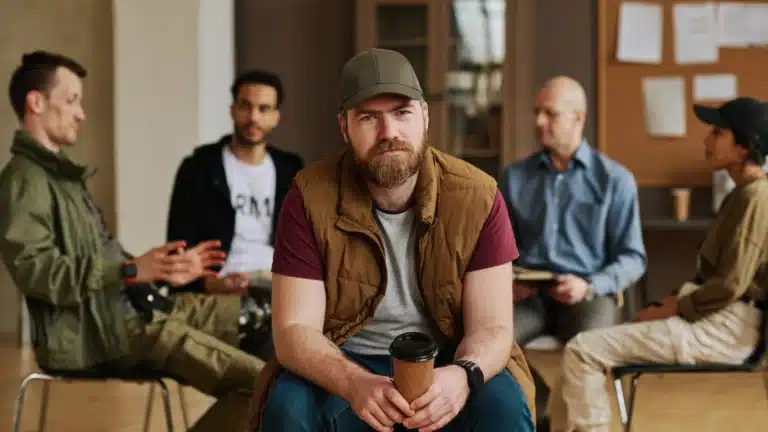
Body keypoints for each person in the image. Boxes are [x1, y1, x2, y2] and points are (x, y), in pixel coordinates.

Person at [248, 48, 536, 431]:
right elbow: (293, 333)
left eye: (402, 113)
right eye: (369, 117)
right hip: (347, 359)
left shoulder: (478, 196)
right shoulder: (308, 198)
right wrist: (354, 383)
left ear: (425, 117)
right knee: (288, 405)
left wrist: (463, 375)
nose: (389, 134)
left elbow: (493, 327)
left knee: (503, 406)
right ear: (344, 127)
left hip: (448, 359)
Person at [0, 51, 265, 431]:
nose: (81, 113)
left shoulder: (61, 178)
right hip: (98, 336)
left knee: (258, 314)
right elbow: (38, 274)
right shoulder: (25, 181)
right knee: (263, 387)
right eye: (72, 100)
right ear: (36, 102)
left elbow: (105, 264)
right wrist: (129, 269)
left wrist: (162, 272)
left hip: (128, 313)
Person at [547, 97, 768, 432]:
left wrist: (675, 307)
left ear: (744, 147)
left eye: (718, 133)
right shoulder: (741, 194)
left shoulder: (755, 197)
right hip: (714, 316)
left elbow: (729, 285)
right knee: (578, 354)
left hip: (725, 327)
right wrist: (670, 304)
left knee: (582, 350)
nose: (706, 140)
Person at [498, 76, 647, 426]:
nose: (538, 122)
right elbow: (498, 248)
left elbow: (633, 257)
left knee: (589, 349)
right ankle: (542, 403)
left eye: (550, 114)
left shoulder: (615, 180)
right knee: (487, 339)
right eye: (537, 113)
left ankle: (579, 424)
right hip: (529, 295)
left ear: (578, 118)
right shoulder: (514, 177)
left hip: (587, 293)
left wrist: (590, 285)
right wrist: (507, 279)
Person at [167, 69, 303, 358]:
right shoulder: (199, 169)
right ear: (232, 109)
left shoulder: (292, 170)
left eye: (263, 108)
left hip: (277, 283)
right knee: (274, 337)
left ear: (276, 117)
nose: (253, 117)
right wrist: (208, 282)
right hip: (222, 287)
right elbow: (177, 247)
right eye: (245, 106)